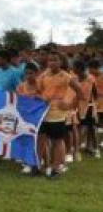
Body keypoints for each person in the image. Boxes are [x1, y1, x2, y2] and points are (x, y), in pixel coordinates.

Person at [37, 51, 83, 179]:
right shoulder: (43, 75)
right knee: (40, 139)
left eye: (55, 60)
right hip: (43, 114)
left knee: (57, 141)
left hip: (57, 114)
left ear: (61, 62)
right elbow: (37, 90)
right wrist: (40, 97)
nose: (52, 62)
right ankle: (38, 166)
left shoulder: (66, 76)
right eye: (50, 60)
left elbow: (80, 92)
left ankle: (57, 168)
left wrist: (70, 105)